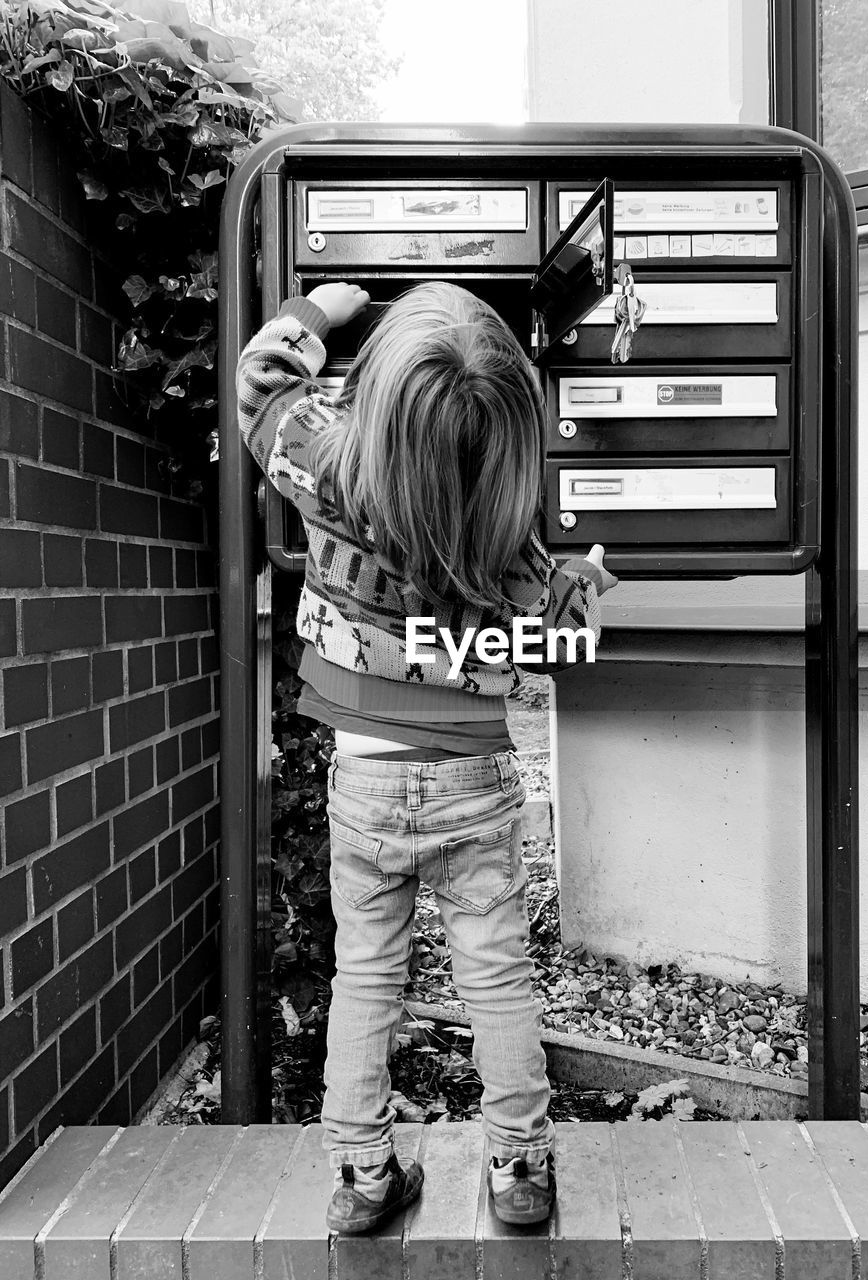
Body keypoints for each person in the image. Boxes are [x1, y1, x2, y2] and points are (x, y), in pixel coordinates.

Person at [236, 279, 617, 1234]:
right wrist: (587, 581)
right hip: (473, 784)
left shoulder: (322, 465)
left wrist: (322, 307)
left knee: (366, 973)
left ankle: (363, 1177)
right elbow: (564, 631)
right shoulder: (509, 542)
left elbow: (261, 383)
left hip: (363, 781)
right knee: (494, 974)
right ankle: (518, 1171)